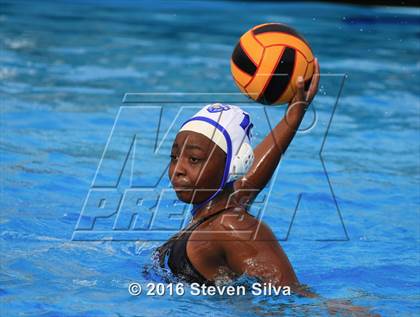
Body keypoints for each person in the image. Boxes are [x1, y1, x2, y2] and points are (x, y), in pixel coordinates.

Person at [154, 60, 320, 288]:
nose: (178, 170)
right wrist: (294, 115)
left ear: (233, 166)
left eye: (194, 159)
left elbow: (292, 300)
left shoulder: (232, 227)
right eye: (174, 157)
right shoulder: (216, 212)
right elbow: (251, 178)